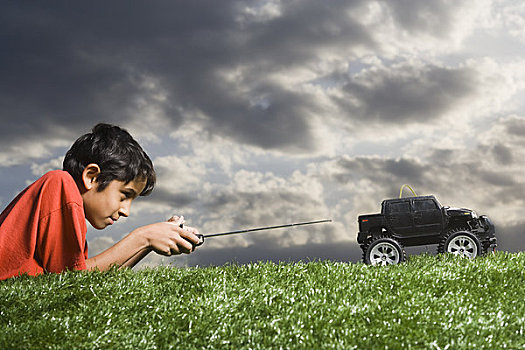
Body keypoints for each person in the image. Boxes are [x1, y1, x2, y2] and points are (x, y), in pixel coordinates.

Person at [0, 123, 200, 280]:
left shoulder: (71, 219)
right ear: (92, 177)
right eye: (124, 195)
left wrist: (150, 242)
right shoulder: (59, 183)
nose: (126, 211)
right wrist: (143, 237)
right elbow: (70, 281)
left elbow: (93, 280)